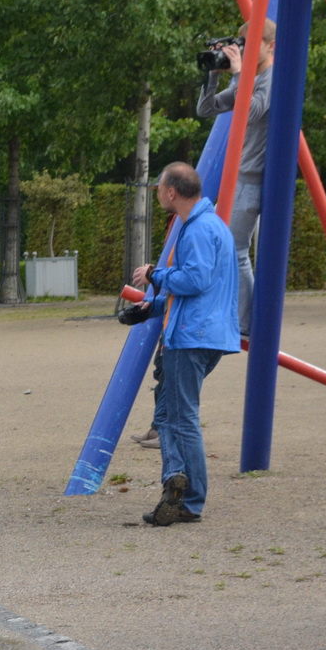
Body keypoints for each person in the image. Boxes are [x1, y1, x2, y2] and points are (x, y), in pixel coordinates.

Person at [129, 162, 240, 526]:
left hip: (191, 336)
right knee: (170, 414)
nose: (158, 194)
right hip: (209, 333)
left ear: (172, 192)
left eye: (159, 188)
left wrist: (154, 274)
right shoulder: (215, 226)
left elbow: (194, 280)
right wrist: (153, 306)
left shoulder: (195, 228)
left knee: (180, 417)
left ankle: (183, 491)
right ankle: (181, 491)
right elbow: (205, 288)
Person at [196, 17, 275, 337]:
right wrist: (212, 75)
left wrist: (240, 73)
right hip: (240, 175)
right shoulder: (249, 78)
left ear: (271, 46)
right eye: (243, 44)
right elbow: (206, 109)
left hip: (253, 178)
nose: (246, 50)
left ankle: (245, 322)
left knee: (234, 250)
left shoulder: (271, 78)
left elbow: (250, 112)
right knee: (218, 243)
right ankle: (236, 314)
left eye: (253, 43)